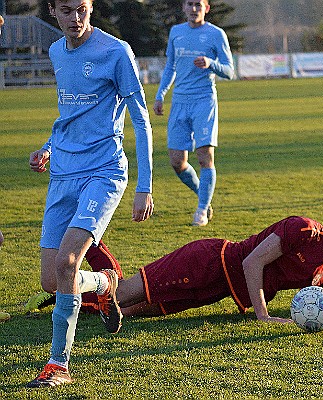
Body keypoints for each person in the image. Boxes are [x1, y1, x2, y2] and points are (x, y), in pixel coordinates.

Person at [26, 0, 154, 388]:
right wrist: (49, 145)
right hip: (63, 172)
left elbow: (142, 118)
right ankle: (104, 283)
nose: (76, 18)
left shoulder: (116, 52)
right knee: (52, 280)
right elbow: (68, 114)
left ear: (91, 8)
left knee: (67, 263)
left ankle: (58, 364)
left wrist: (144, 185)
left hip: (103, 172)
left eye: (82, 9)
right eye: (67, 10)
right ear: (53, 11)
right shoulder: (54, 52)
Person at [115, 216, 323, 321]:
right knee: (120, 295)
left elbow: (306, 302)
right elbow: (251, 262)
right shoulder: (302, 229)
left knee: (124, 312)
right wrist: (263, 315)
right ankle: (83, 266)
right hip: (208, 262)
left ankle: (81, 300)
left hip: (216, 290)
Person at [153, 0, 234, 226]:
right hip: (180, 102)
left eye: (198, 4)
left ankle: (200, 211)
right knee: (177, 162)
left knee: (204, 157)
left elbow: (230, 70)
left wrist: (211, 63)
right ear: (183, 8)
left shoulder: (216, 34)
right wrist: (160, 94)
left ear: (206, 8)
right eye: (190, 4)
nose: (194, 8)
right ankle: (203, 197)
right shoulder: (176, 32)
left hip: (204, 101)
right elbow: (170, 67)